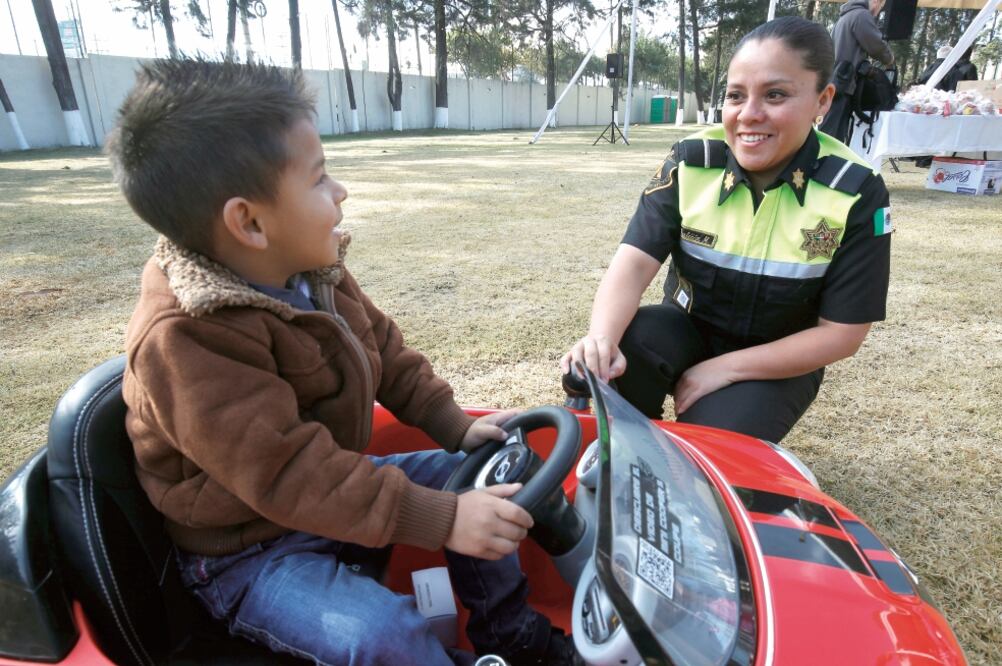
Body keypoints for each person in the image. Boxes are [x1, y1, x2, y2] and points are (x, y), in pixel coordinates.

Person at [108, 59, 575, 666]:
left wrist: (453, 425)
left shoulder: (307, 270)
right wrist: (443, 519)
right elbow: (291, 473)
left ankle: (509, 634)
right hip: (248, 551)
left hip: (332, 489)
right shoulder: (188, 340)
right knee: (381, 636)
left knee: (489, 473)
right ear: (249, 222)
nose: (340, 192)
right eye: (320, 178)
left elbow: (382, 346)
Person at [561, 17, 892, 444]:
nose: (749, 115)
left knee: (712, 447)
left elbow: (842, 334)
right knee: (621, 351)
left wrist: (726, 368)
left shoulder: (855, 190)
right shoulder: (693, 162)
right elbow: (632, 264)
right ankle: (628, 446)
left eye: (775, 95)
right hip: (685, 331)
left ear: (822, 100)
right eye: (736, 96)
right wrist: (600, 340)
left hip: (777, 359)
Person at [819, 0, 895, 142]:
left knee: (830, 132)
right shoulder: (861, 15)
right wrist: (890, 59)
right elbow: (876, 46)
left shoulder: (845, 17)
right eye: (881, 7)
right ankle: (824, 162)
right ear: (876, 1)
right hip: (843, 82)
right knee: (832, 136)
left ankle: (824, 161)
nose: (879, 11)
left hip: (836, 81)